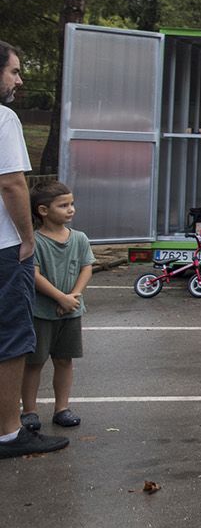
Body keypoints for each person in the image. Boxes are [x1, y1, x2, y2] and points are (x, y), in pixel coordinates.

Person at [0, 42, 67, 460]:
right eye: (13, 72)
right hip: (4, 251)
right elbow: (12, 183)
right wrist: (28, 238)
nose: (19, 81)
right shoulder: (4, 119)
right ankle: (9, 432)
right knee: (10, 338)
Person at [21, 182, 92, 432]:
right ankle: (29, 412)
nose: (70, 209)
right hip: (41, 312)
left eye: (71, 204)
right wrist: (60, 298)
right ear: (43, 210)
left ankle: (62, 408)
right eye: (63, 205)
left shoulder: (80, 238)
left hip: (71, 311)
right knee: (34, 362)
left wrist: (73, 296)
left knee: (64, 360)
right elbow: (34, 274)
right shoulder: (35, 241)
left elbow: (86, 267)